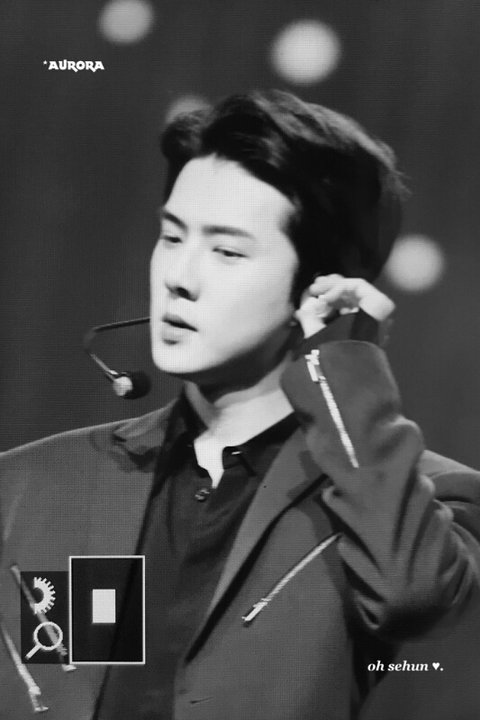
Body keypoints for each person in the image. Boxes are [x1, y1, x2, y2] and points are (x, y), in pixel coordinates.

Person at [1, 89, 480, 720]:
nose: (179, 276)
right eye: (172, 236)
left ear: (322, 287)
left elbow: (410, 598)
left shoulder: (429, 500)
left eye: (226, 251)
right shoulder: (28, 486)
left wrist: (347, 362)